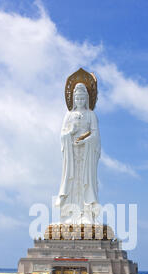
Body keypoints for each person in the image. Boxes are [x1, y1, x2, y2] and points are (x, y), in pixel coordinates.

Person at [57, 82, 101, 224]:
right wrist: (71, 132)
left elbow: (95, 135)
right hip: (72, 155)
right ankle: (69, 215)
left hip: (86, 155)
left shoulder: (91, 115)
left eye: (83, 99)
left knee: (86, 182)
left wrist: (86, 141)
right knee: (72, 181)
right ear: (73, 99)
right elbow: (62, 136)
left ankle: (87, 215)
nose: (80, 102)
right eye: (77, 99)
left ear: (87, 99)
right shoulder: (68, 115)